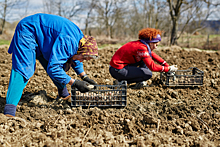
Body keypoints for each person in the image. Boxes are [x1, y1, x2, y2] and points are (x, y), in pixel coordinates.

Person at [4, 13, 99, 117]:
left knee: (57, 65)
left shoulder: (80, 42)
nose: (83, 61)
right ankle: (9, 111)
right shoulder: (68, 41)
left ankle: (63, 95)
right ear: (81, 50)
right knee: (24, 68)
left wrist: (84, 77)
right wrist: (74, 83)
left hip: (43, 40)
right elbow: (53, 68)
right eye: (84, 58)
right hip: (28, 30)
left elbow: (76, 57)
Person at [109, 28, 178, 89]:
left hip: (118, 67)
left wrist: (166, 65)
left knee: (144, 61)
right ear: (150, 43)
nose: (156, 47)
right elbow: (152, 67)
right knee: (148, 74)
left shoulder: (141, 44)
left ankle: (139, 81)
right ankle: (120, 82)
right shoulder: (142, 48)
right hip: (117, 70)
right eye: (156, 45)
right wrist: (168, 69)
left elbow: (154, 56)